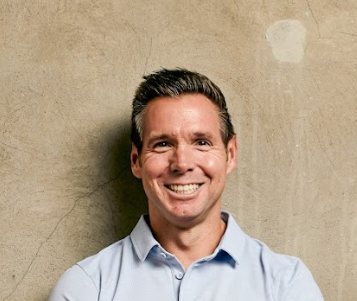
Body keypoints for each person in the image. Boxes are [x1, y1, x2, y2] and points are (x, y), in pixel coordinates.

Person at [48, 68, 324, 301]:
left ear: (230, 155)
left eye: (202, 142)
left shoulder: (286, 285)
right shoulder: (86, 288)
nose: (182, 163)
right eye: (163, 144)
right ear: (136, 160)